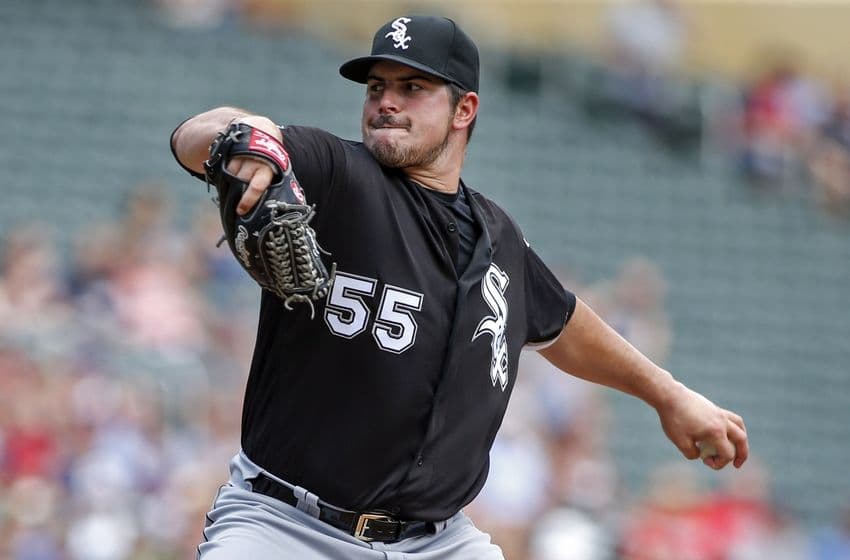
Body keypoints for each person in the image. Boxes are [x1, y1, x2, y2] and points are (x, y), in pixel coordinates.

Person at [169, 15, 749, 559]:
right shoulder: (333, 174)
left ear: (464, 108)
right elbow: (199, 134)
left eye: (412, 87)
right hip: (283, 525)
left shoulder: (497, 237)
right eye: (376, 87)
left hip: (435, 542)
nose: (386, 102)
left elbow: (565, 326)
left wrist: (668, 395)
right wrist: (247, 141)